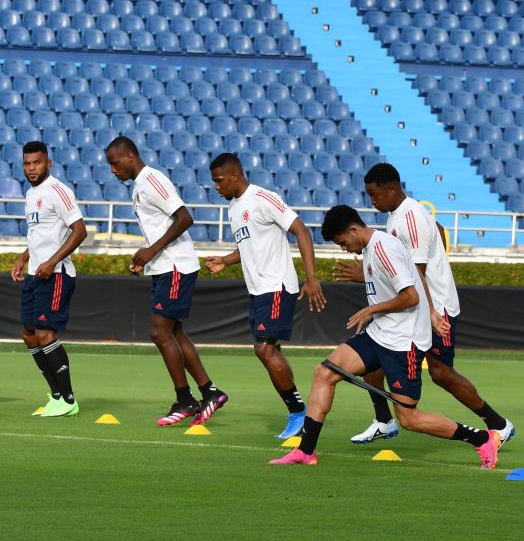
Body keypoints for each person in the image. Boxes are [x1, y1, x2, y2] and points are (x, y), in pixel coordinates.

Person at [271, 205, 501, 468]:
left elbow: (410, 295)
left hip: (404, 343)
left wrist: (371, 309)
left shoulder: (384, 248)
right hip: (380, 334)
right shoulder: (371, 249)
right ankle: (306, 451)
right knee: (324, 373)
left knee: (409, 419)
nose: (344, 249)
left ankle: (482, 439)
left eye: (343, 242)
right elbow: (412, 280)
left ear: (354, 229)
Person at [335, 163, 514, 447]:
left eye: (375, 195)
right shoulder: (399, 215)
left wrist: (431, 312)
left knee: (441, 373)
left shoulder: (411, 218)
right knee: (375, 355)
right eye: (369, 195)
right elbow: (438, 232)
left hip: (433, 306)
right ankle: (384, 420)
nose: (372, 201)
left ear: (392, 189)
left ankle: (498, 425)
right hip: (419, 306)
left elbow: (416, 273)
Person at [105, 136, 226, 426]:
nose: (112, 170)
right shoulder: (138, 187)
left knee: (160, 333)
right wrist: (144, 257)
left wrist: (152, 250)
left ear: (130, 157)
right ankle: (208, 392)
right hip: (164, 268)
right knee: (174, 334)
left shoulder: (151, 179)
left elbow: (184, 218)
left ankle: (187, 398)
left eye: (115, 163)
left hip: (176, 266)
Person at [205, 152, 325, 438]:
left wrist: (312, 279)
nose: (217, 187)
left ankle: (299, 413)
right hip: (258, 290)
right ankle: (300, 413)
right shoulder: (234, 209)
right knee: (271, 351)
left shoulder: (263, 198)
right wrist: (224, 260)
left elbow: (301, 231)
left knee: (264, 349)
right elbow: (248, 247)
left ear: (235, 176)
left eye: (220, 181)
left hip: (276, 286)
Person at [11, 141, 86, 418]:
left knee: (45, 334)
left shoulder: (58, 191)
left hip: (56, 274)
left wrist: (52, 261)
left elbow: (80, 231)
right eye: (27, 164)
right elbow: (39, 236)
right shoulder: (31, 194)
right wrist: (23, 258)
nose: (32, 168)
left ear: (48, 163)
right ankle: (55, 396)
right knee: (29, 336)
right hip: (34, 274)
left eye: (37, 162)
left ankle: (68, 399)